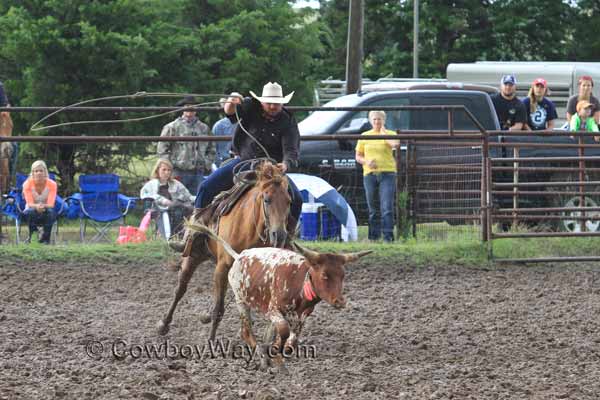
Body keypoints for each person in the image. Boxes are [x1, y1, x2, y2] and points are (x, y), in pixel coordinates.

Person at [170, 82, 304, 252]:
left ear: (282, 104)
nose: (272, 106)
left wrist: (285, 164)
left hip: (272, 170)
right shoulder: (250, 108)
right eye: (269, 102)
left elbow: (291, 151)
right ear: (261, 102)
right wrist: (233, 101)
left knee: (297, 199)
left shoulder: (287, 121)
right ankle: (192, 233)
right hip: (243, 162)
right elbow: (230, 112)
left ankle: (288, 238)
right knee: (206, 187)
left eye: (276, 103)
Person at [355, 111, 399, 242]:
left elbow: (395, 145)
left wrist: (384, 134)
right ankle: (373, 237)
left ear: (384, 120)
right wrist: (366, 161)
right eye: (374, 120)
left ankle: (388, 237)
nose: (377, 122)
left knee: (387, 207)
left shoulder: (391, 134)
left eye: (379, 119)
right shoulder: (365, 136)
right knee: (373, 208)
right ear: (370, 121)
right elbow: (358, 156)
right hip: (369, 174)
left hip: (388, 173)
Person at [157, 96, 216, 193]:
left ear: (196, 109)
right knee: (178, 198)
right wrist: (169, 167)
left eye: (193, 107)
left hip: (198, 172)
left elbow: (212, 148)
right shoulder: (172, 127)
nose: (190, 110)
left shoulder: (204, 128)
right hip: (178, 171)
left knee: (197, 199)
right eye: (187, 106)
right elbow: (162, 149)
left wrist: (207, 163)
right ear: (182, 109)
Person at [140, 159, 195, 239]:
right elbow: (145, 194)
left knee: (182, 209)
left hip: (174, 207)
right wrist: (163, 200)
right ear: (157, 170)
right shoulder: (152, 184)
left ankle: (177, 234)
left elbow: (188, 196)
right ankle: (171, 235)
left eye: (169, 170)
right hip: (158, 209)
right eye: (164, 170)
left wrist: (199, 198)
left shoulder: (175, 183)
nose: (167, 172)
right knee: (177, 210)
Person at [22, 160, 57, 244]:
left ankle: (45, 239)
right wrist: (37, 207)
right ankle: (33, 237)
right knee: (30, 212)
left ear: (45, 172)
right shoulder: (27, 184)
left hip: (47, 208)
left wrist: (42, 206)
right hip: (31, 208)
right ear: (32, 173)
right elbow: (29, 203)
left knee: (51, 213)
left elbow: (51, 204)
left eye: (41, 171)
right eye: (36, 171)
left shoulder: (52, 184)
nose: (39, 173)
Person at [211, 97, 237, 167]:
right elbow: (213, 148)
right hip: (224, 162)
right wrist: (219, 164)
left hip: (241, 161)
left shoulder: (245, 124)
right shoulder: (219, 125)